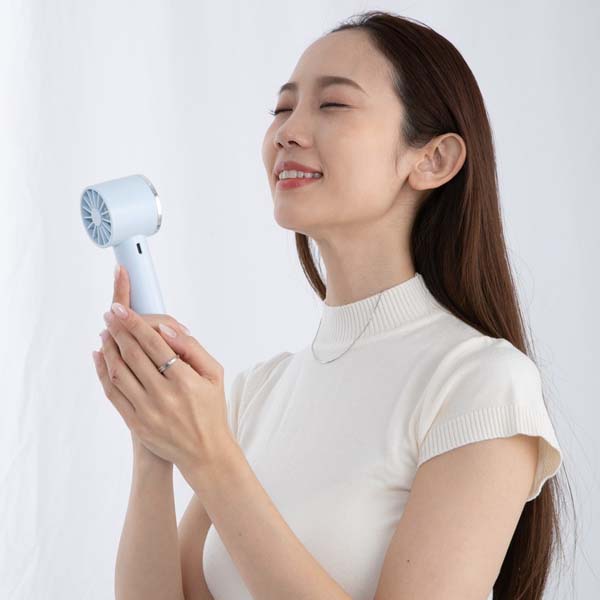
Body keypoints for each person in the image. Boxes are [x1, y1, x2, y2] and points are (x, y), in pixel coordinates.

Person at [203, 11, 568, 600]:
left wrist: (211, 462)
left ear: (433, 159)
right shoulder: (257, 393)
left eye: (333, 104)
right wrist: (155, 448)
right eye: (282, 108)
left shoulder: (479, 382)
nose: (288, 132)